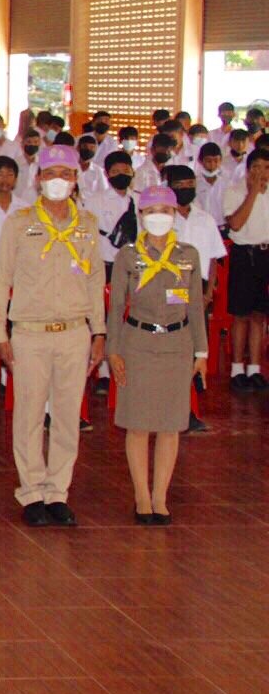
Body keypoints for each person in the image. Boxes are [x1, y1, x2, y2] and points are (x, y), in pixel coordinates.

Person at [0, 144, 106, 527]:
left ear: (75, 180)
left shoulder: (87, 223)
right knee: (29, 416)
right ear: (39, 179)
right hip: (30, 333)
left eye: (66, 174)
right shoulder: (19, 222)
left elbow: (95, 279)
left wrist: (99, 330)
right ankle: (32, 491)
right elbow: (1, 277)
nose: (58, 180)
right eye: (51, 174)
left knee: (68, 417)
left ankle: (58, 492)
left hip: (74, 332)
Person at [106, 187, 205, 527]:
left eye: (165, 210)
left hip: (177, 345)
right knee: (138, 423)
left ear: (175, 215)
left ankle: (160, 497)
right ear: (141, 215)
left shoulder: (188, 254)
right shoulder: (128, 256)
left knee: (170, 425)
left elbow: (196, 307)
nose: (158, 216)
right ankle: (142, 497)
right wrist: (113, 350)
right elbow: (116, 307)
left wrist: (201, 351)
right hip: (137, 344)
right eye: (151, 211)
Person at [223, 149, 269, 392]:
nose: (262, 173)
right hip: (244, 255)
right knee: (241, 315)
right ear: (248, 169)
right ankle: (237, 369)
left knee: (259, 315)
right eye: (257, 167)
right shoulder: (234, 190)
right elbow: (236, 224)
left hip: (265, 254)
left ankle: (255, 369)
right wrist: (252, 193)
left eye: (267, 168)